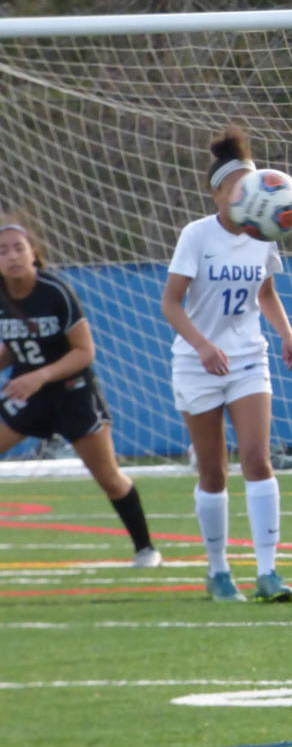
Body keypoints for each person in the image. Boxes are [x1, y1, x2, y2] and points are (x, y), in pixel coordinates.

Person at [161, 124, 292, 603]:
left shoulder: (263, 233)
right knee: (213, 472)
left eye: (250, 182)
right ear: (217, 193)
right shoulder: (196, 236)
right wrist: (203, 345)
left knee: (258, 459)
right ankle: (219, 571)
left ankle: (268, 571)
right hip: (197, 364)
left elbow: (265, 293)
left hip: (247, 359)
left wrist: (286, 335)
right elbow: (171, 305)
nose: (246, 192)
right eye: (235, 186)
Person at [0, 217, 162, 567]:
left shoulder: (54, 291)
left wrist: (40, 376)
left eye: (18, 247)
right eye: (2, 250)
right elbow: (15, 345)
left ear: (34, 253)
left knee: (109, 478)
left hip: (72, 394)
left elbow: (84, 352)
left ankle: (146, 549)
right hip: (27, 394)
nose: (11, 255)